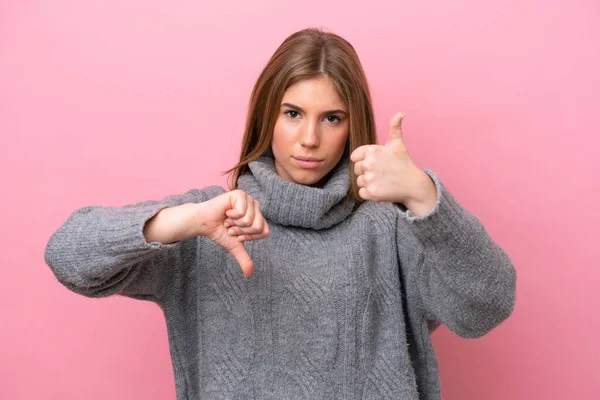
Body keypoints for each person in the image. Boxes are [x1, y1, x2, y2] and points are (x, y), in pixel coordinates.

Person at [44, 28, 517, 400]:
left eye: (331, 118)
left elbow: (488, 307)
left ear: (353, 125)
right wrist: (181, 222)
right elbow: (67, 256)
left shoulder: (390, 227)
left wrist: (423, 195)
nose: (309, 139)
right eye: (293, 113)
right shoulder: (211, 220)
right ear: (266, 115)